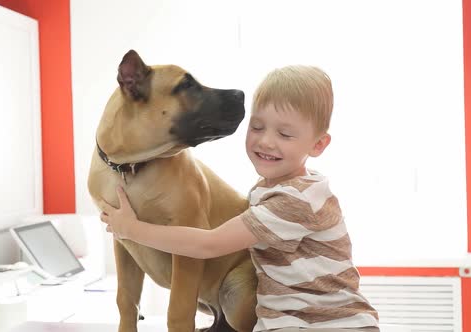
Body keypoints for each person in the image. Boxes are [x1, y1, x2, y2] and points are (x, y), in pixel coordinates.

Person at [100, 65, 379, 332]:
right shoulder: (272, 189)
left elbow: (208, 244)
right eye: (257, 127)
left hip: (326, 325)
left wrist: (132, 229)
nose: (266, 141)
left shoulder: (294, 201)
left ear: (318, 145)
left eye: (284, 134)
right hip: (290, 321)